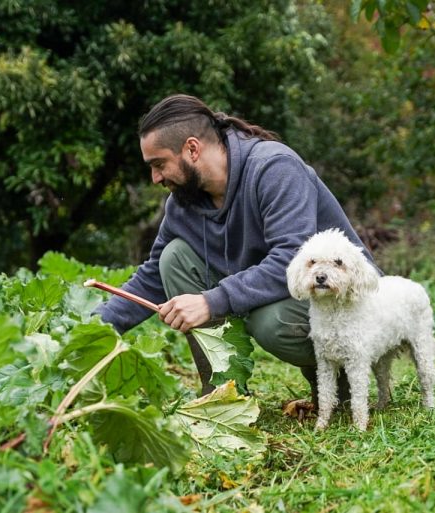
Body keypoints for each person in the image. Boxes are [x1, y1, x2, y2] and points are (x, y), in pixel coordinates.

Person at [95, 94, 377, 401]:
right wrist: (93, 329)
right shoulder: (183, 203)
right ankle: (224, 394)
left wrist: (211, 301)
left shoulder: (274, 169)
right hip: (280, 297)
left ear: (192, 148)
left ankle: (341, 383)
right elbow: (150, 277)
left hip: (350, 304)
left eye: (159, 164)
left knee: (271, 321)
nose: (155, 177)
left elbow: (291, 257)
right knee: (173, 258)